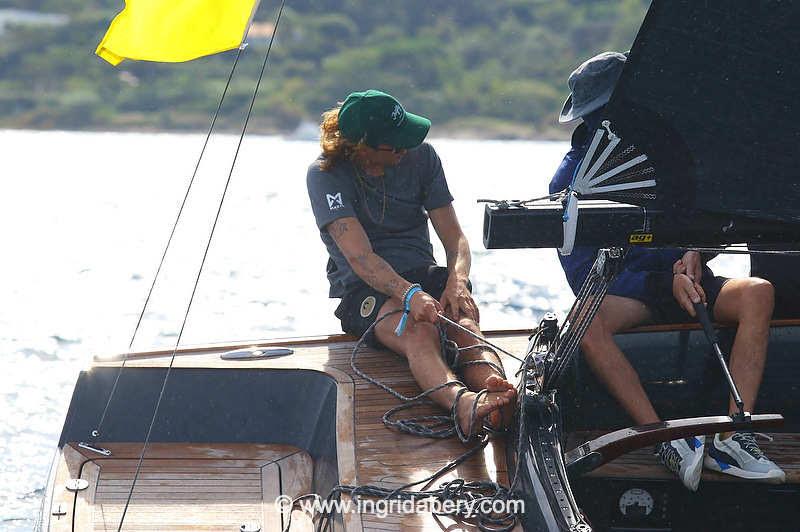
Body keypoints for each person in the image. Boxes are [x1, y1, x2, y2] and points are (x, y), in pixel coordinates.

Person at [550, 52, 785, 489]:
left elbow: (712, 220)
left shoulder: (676, 153)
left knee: (758, 291)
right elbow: (584, 278)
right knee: (584, 324)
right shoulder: (570, 179)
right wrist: (663, 280)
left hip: (689, 282)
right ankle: (660, 437)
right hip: (633, 294)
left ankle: (735, 436)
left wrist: (696, 253)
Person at [306, 89, 516, 440]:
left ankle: (499, 393)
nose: (406, 149)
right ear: (362, 148)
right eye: (396, 145)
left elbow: (455, 239)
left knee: (463, 323)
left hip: (422, 273)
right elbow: (361, 257)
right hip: (364, 288)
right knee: (419, 331)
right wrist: (408, 295)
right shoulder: (325, 175)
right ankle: (461, 404)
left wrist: (457, 281)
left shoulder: (422, 158)